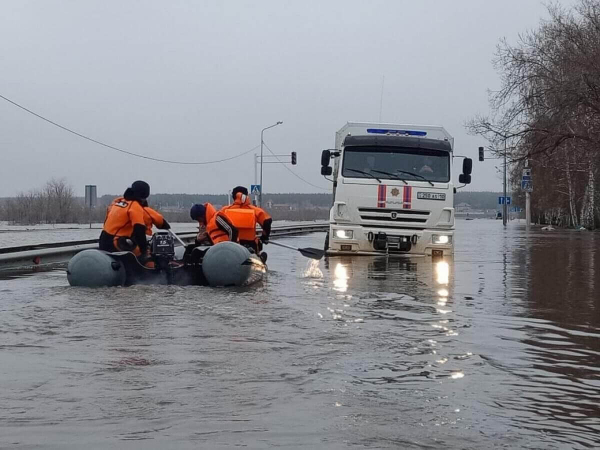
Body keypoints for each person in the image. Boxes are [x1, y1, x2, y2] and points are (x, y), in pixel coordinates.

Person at [99, 181, 170, 261]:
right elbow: (139, 229)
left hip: (103, 240)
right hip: (117, 243)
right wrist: (144, 252)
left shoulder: (117, 202)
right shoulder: (135, 206)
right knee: (147, 257)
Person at [219, 186, 272, 255]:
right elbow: (267, 222)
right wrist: (264, 237)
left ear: (233, 197)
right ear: (246, 196)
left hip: (230, 246)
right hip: (250, 246)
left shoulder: (224, 210)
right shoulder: (255, 210)